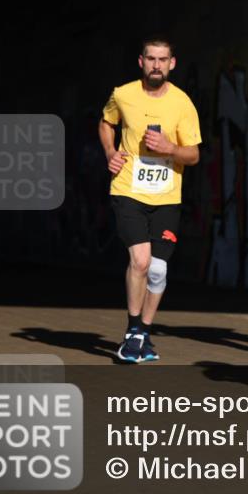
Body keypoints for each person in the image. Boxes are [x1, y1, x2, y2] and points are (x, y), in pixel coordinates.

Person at [99, 37, 201, 362]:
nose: (157, 65)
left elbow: (194, 155)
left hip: (167, 196)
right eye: (151, 59)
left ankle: (143, 331)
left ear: (172, 63)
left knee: (157, 271)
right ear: (141, 61)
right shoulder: (123, 94)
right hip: (128, 190)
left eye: (163, 60)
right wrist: (110, 152)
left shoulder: (182, 103)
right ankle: (132, 332)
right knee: (141, 261)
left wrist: (170, 148)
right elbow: (106, 123)